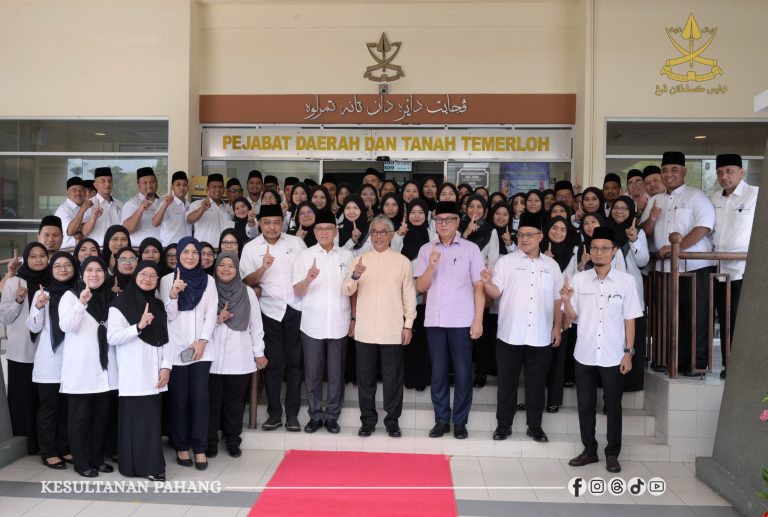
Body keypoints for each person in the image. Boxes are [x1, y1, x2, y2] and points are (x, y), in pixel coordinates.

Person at [561, 227, 643, 474]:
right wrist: (565, 300)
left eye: (605, 248)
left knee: (613, 407)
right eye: (595, 248)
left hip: (613, 354)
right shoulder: (579, 279)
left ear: (614, 251)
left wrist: (628, 352)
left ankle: (612, 454)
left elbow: (630, 319)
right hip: (584, 353)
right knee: (585, 405)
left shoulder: (626, 282)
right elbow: (572, 318)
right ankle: (589, 450)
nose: (599, 252)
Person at [481, 213, 564, 443]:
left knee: (537, 384)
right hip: (510, 334)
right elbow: (496, 292)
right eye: (521, 235)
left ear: (540, 236)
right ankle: (503, 426)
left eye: (529, 235)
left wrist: (557, 328)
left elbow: (558, 300)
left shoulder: (552, 266)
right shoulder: (506, 262)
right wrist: (486, 282)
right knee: (506, 383)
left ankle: (534, 426)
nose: (524, 239)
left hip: (540, 334)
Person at [414, 201, 484, 440]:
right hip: (434, 319)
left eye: (448, 219)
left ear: (457, 222)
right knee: (438, 373)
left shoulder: (470, 249)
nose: (443, 224)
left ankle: (460, 422)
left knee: (464, 372)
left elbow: (479, 287)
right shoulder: (426, 249)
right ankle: (441, 420)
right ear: (434, 223)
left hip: (462, 319)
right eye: (439, 220)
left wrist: (478, 321)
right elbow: (420, 287)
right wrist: (431, 267)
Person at [641, 151, 715, 375]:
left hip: (694, 269)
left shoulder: (696, 196)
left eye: (674, 169)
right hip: (664, 270)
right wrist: (652, 218)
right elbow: (644, 232)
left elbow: (703, 227)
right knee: (666, 317)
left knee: (694, 316)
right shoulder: (655, 199)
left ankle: (695, 363)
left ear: (684, 171)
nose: (669, 174)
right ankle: (666, 359)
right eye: (664, 170)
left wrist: (677, 249)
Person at [343, 215, 417, 438]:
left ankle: (392, 421)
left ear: (391, 235)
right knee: (365, 378)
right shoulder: (359, 260)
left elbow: (409, 296)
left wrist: (409, 325)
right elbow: (346, 290)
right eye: (374, 232)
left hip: (393, 329)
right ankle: (367, 421)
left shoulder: (402, 261)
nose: (378, 236)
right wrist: (355, 276)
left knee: (393, 379)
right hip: (365, 329)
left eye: (383, 232)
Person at [239, 204, 306, 432]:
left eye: (276, 222)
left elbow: (306, 273)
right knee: (274, 364)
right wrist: (263, 268)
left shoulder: (296, 243)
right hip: (268, 311)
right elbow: (246, 281)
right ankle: (275, 414)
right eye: (267, 222)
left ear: (282, 223)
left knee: (296, 364)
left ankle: (294, 415)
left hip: (295, 308)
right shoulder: (250, 248)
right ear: (259, 223)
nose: (272, 227)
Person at [107, 261, 170, 481]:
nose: (148, 279)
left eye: (153, 276)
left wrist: (166, 367)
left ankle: (150, 466)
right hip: (133, 373)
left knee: (151, 423)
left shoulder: (158, 304)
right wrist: (139, 326)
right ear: (135, 275)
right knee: (134, 422)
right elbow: (112, 337)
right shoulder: (119, 304)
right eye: (144, 274)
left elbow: (166, 340)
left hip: (154, 374)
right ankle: (136, 466)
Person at [159, 237, 218, 471]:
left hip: (201, 349)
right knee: (179, 401)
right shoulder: (166, 280)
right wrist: (174, 294)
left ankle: (200, 447)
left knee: (201, 400)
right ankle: (181, 446)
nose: (191, 256)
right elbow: (168, 315)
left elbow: (211, 313)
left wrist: (203, 341)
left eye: (195, 252)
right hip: (175, 350)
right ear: (179, 254)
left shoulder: (209, 281)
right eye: (186, 252)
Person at [293, 211, 353, 434]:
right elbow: (296, 291)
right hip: (312, 323)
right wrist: (308, 279)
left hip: (339, 320)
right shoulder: (304, 256)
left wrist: (353, 318)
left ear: (336, 231)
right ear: (315, 232)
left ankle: (332, 416)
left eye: (329, 228)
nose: (324, 233)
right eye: (320, 229)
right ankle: (315, 415)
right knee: (313, 373)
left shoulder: (347, 256)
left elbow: (352, 290)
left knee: (336, 373)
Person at [58, 256, 117, 477]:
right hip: (81, 368)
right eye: (89, 270)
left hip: (103, 368)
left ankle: (97, 458)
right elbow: (66, 326)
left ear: (105, 274)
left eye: (99, 270)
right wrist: (81, 303)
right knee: (80, 419)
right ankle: (82, 462)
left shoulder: (111, 297)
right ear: (82, 274)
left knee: (101, 418)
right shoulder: (70, 296)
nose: (94, 274)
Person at [208, 252, 266, 457]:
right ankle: (211, 441)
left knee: (234, 402)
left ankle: (233, 440)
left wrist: (258, 352)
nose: (225, 269)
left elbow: (256, 325)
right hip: (211, 358)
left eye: (230, 266)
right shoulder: (209, 290)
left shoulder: (247, 292)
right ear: (215, 268)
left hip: (238, 357)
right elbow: (198, 322)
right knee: (212, 402)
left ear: (237, 269)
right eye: (221, 265)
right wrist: (217, 318)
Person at [27, 251, 77, 469]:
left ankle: (64, 447)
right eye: (58, 266)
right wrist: (38, 306)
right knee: (49, 408)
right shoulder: (43, 295)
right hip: (50, 362)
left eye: (67, 265)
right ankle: (48, 451)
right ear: (51, 270)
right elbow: (33, 327)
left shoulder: (79, 294)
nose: (63, 269)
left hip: (74, 362)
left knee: (68, 409)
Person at [710, 153, 758, 379]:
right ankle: (728, 366)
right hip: (719, 272)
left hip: (744, 271)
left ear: (742, 171)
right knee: (725, 318)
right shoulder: (714, 199)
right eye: (720, 172)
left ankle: (741, 369)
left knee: (741, 321)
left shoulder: (755, 195)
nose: (724, 176)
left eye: (729, 171)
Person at [0, 242, 50, 454]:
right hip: (21, 351)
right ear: (25, 259)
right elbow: (4, 317)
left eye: (42, 256)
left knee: (44, 399)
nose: (38, 260)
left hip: (46, 350)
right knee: (23, 399)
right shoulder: (14, 283)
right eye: (33, 256)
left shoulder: (54, 280)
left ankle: (44, 441)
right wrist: (19, 301)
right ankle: (25, 443)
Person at [400, 199, 435, 391]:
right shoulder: (401, 235)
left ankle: (422, 378)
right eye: (413, 211)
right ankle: (409, 377)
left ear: (427, 215)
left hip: (427, 296)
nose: (416, 215)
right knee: (406, 339)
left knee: (422, 339)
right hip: (403, 296)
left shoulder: (432, 236)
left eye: (421, 212)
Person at [80, 167, 123, 245]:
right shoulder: (88, 204)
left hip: (116, 248)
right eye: (103, 181)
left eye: (110, 181)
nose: (107, 184)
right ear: (95, 185)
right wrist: (93, 217)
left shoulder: (120, 204)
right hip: (97, 249)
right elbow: (84, 232)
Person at [186, 173, 233, 245]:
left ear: (224, 190)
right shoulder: (197, 204)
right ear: (207, 189)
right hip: (204, 251)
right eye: (214, 187)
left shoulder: (229, 208)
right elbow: (189, 220)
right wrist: (202, 209)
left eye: (220, 187)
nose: (217, 189)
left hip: (223, 250)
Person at [121, 167, 162, 244]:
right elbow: (126, 230)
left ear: (157, 183)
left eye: (152, 182)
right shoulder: (132, 203)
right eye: (145, 183)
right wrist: (140, 210)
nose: (149, 185)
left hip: (161, 248)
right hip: (138, 249)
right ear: (138, 185)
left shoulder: (164, 202)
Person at [152, 170, 192, 247]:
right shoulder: (166, 204)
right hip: (169, 247)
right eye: (178, 185)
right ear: (172, 187)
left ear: (188, 188)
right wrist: (165, 205)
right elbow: (155, 223)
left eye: (184, 185)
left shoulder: (190, 205)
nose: (182, 187)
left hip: (186, 248)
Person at [55, 176, 87, 250]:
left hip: (85, 252)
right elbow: (70, 231)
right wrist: (83, 210)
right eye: (74, 190)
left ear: (85, 193)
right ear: (68, 193)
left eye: (81, 190)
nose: (78, 192)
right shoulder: (63, 210)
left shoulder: (88, 207)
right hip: (68, 251)